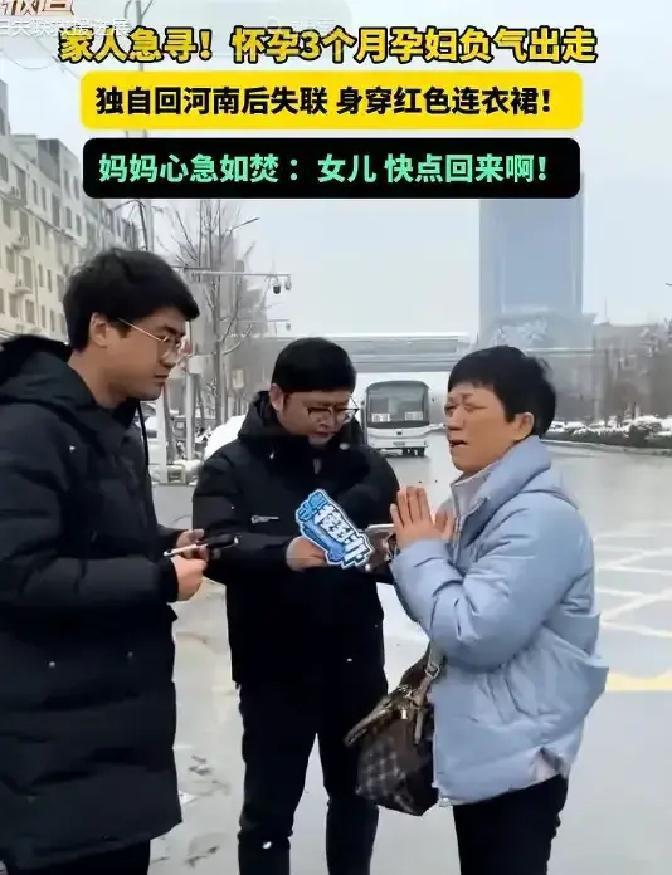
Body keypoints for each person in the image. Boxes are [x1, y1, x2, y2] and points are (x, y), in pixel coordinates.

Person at [0, 249, 208, 875]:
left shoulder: (112, 428)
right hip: (54, 742)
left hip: (111, 732)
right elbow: (19, 573)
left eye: (180, 342)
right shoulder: (27, 429)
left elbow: (96, 540)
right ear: (101, 329)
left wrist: (164, 542)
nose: (173, 356)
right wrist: (158, 577)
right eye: (163, 337)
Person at [389, 346, 608, 875]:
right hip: (487, 745)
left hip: (520, 756)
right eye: (449, 408)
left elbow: (474, 633)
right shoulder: (478, 505)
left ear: (521, 424)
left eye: (471, 406)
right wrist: (411, 556)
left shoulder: (537, 518)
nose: (453, 421)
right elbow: (438, 612)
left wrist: (421, 555)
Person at [192, 338, 399, 875]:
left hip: (355, 665)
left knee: (355, 799)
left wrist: (392, 556)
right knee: (268, 814)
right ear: (278, 396)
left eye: (341, 408)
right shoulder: (231, 467)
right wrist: (283, 553)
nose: (330, 421)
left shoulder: (366, 467)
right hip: (273, 670)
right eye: (317, 408)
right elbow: (214, 546)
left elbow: (394, 544)